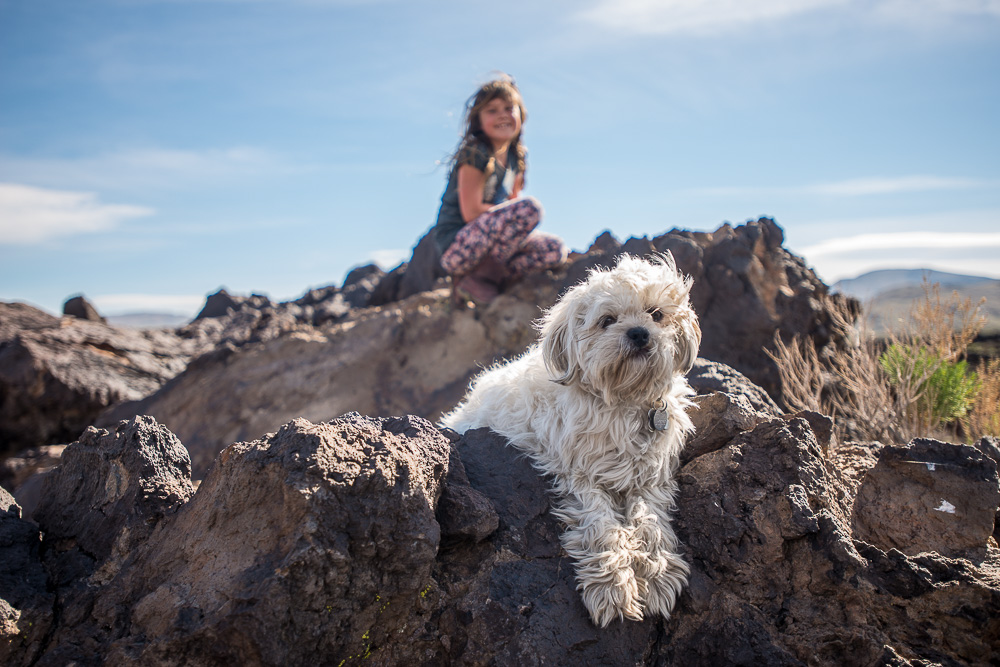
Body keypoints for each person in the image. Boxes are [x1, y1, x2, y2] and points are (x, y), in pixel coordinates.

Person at [433, 74, 566, 306]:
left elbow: (513, 212)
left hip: (493, 247)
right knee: (529, 209)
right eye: (492, 110)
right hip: (458, 246)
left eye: (508, 108)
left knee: (554, 250)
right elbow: (472, 212)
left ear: (521, 115)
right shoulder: (476, 152)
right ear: (478, 120)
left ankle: (480, 282)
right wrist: (514, 215)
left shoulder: (516, 158)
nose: (502, 115)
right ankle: (479, 278)